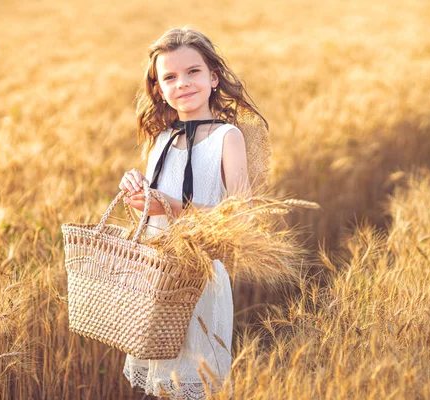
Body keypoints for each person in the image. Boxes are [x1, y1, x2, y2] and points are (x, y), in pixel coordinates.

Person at [120, 26, 267, 399]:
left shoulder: (226, 137)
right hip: (157, 277)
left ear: (213, 78)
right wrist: (136, 190)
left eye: (193, 72)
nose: (182, 83)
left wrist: (169, 205)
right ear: (159, 88)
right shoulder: (159, 140)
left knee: (196, 383)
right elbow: (151, 215)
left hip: (200, 278)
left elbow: (240, 216)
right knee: (160, 384)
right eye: (169, 77)